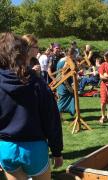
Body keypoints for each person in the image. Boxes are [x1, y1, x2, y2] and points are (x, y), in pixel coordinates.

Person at [0, 32, 63, 180]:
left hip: (6, 148)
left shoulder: (35, 81)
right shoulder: (36, 82)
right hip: (33, 148)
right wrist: (57, 152)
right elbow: (51, 119)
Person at [56, 48, 77, 119]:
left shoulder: (62, 59)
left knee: (62, 99)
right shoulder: (66, 61)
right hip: (63, 83)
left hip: (61, 82)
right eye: (74, 55)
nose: (75, 56)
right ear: (70, 54)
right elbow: (63, 75)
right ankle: (56, 116)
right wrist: (69, 87)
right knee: (62, 100)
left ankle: (60, 117)